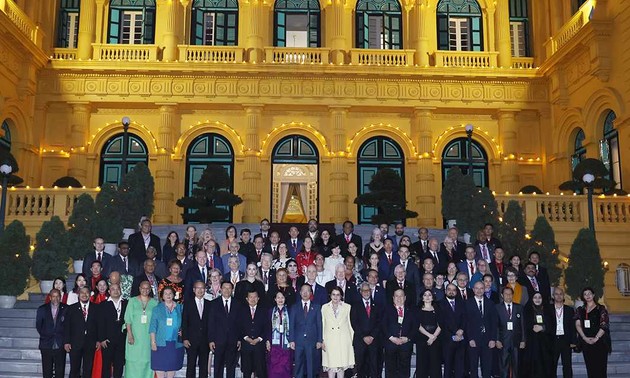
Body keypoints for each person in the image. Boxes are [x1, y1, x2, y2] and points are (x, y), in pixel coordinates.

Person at [208, 281, 243, 378]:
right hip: (218, 340)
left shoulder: (238, 304)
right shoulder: (214, 304)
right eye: (224, 288)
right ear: (220, 289)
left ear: (232, 290)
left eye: (229, 288)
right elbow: (211, 323)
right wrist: (211, 339)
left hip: (233, 340)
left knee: (231, 367)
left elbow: (240, 323)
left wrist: (239, 339)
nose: (227, 290)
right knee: (218, 366)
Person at [125, 281, 159, 378]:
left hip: (148, 338)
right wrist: (130, 334)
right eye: (143, 288)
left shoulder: (154, 303)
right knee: (133, 361)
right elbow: (128, 319)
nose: (145, 290)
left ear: (150, 290)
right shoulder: (132, 301)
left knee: (147, 361)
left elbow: (156, 321)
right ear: (139, 288)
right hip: (134, 336)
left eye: (147, 288)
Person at [574, 287, 610, 378]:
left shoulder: (601, 308)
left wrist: (596, 338)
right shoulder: (580, 309)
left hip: (599, 342)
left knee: (601, 369)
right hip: (586, 342)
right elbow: (577, 324)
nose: (587, 296)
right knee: (590, 369)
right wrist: (584, 338)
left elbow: (604, 325)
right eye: (585, 294)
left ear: (593, 295)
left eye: (589, 293)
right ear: (583, 297)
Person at [150, 286, 184, 378]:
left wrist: (183, 331)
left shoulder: (180, 308)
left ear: (174, 295)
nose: (168, 295)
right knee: (160, 370)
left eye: (170, 293)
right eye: (166, 294)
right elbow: (152, 326)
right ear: (162, 296)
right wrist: (153, 342)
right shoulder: (157, 309)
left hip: (174, 344)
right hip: (160, 344)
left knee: (171, 370)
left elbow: (187, 323)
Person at [289, 284, 323, 378]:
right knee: (298, 365)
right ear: (300, 293)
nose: (305, 293)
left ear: (311, 293)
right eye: (303, 291)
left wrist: (319, 340)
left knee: (311, 366)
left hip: (311, 341)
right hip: (298, 341)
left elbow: (319, 325)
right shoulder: (294, 307)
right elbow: (291, 325)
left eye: (307, 291)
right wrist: (291, 340)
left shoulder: (316, 307)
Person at [382, 288, 417, 378]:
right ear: (393, 298)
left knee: (404, 371)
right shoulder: (386, 309)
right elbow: (383, 325)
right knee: (390, 371)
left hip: (405, 345)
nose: (399, 298)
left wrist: (408, 338)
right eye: (396, 296)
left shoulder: (412, 310)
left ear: (405, 298)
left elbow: (415, 327)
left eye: (401, 296)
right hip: (390, 344)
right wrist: (391, 338)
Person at [64, 286, 97, 378]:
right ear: (78, 295)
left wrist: (98, 340)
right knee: (74, 369)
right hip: (75, 343)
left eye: (87, 292)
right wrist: (66, 341)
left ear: (90, 295)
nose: (84, 295)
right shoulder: (71, 309)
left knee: (88, 369)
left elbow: (99, 326)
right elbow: (67, 326)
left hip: (90, 343)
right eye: (82, 293)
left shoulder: (96, 308)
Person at [466, 281, 498, 378]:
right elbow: (466, 322)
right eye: (477, 288)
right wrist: (470, 338)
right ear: (473, 290)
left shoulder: (491, 303)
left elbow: (494, 322)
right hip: (473, 340)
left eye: (481, 288)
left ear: (484, 289)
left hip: (487, 340)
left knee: (487, 366)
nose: (479, 290)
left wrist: (493, 339)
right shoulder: (467, 303)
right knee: (473, 366)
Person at [321, 286, 355, 377]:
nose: (335, 297)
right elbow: (323, 325)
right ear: (330, 295)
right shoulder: (324, 308)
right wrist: (322, 340)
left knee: (341, 366)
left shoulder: (347, 307)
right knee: (331, 366)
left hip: (343, 340)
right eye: (333, 294)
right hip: (329, 340)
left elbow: (350, 325)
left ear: (341, 296)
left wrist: (350, 341)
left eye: (338, 295)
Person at [351, 282, 382, 378]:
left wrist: (372, 336)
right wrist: (364, 337)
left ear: (371, 291)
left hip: (374, 341)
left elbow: (379, 322)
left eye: (368, 290)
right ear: (360, 292)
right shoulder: (355, 305)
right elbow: (354, 323)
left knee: (374, 367)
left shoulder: (377, 305)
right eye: (364, 290)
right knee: (360, 367)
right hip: (360, 341)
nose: (366, 292)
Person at [96, 283, 127, 378]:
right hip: (107, 340)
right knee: (106, 366)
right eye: (113, 289)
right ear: (109, 291)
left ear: (120, 290)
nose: (115, 291)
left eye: (117, 288)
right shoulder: (103, 305)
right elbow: (100, 323)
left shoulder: (127, 303)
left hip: (122, 340)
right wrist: (102, 339)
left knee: (119, 365)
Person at [182, 280, 211, 378]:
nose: (200, 290)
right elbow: (184, 321)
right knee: (191, 366)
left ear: (205, 290)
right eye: (197, 288)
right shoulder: (188, 303)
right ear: (194, 290)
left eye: (202, 288)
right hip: (191, 340)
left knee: (203, 366)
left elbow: (211, 324)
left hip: (205, 340)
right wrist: (185, 338)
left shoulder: (209, 304)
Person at [496, 286, 526, 378]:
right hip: (503, 341)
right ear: (502, 295)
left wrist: (523, 340)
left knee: (516, 366)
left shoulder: (519, 307)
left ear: (513, 295)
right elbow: (495, 325)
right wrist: (497, 340)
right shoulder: (497, 308)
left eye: (510, 294)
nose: (508, 296)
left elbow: (523, 325)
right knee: (503, 366)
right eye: (506, 294)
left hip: (516, 341)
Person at [36, 289, 67, 378]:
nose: (56, 298)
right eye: (53, 296)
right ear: (50, 297)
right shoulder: (42, 309)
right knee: (47, 371)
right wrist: (47, 334)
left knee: (60, 371)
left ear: (60, 297)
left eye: (57, 296)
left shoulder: (66, 308)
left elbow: (68, 326)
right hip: (46, 344)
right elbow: (39, 325)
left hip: (60, 344)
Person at [522, 292, 553, 377]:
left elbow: (552, 324)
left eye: (540, 297)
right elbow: (524, 324)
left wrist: (543, 328)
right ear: (532, 299)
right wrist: (533, 326)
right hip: (532, 343)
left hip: (545, 343)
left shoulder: (547, 309)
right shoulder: (527, 309)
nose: (537, 299)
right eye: (535, 297)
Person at [440, 283, 466, 378]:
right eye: (449, 289)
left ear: (456, 292)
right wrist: (455, 332)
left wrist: (461, 330)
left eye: (453, 290)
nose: (451, 292)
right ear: (445, 291)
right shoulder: (440, 304)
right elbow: (443, 321)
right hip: (447, 340)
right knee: (448, 367)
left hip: (461, 339)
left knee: (460, 367)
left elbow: (465, 318)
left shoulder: (461, 303)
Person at [240, 290, 268, 378]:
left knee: (261, 371)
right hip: (246, 345)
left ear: (258, 298)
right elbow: (238, 326)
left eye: (255, 297)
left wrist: (259, 338)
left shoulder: (264, 311)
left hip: (259, 345)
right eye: (250, 297)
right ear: (247, 299)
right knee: (246, 371)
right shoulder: (241, 311)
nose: (253, 299)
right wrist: (246, 338)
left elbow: (267, 327)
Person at [415, 289, 442, 378]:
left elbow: (441, 324)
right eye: (425, 295)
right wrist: (429, 336)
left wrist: (433, 336)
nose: (427, 297)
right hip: (422, 339)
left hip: (435, 339)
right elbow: (418, 325)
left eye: (429, 295)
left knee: (435, 364)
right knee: (422, 364)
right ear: (422, 298)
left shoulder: (438, 309)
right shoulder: (418, 310)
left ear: (432, 298)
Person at [550, 287, 576, 378]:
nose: (559, 296)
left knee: (567, 365)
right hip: (553, 340)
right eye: (556, 294)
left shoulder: (569, 310)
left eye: (560, 294)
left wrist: (573, 341)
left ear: (563, 295)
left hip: (565, 340)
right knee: (552, 365)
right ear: (553, 296)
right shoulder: (548, 309)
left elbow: (573, 326)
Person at [266, 290, 293, 378]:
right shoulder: (270, 311)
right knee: (274, 367)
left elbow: (293, 327)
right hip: (274, 345)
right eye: (278, 297)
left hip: (286, 344)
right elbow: (267, 327)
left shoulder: (290, 311)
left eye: (282, 297)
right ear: (275, 299)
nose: (280, 299)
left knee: (286, 367)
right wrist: (267, 341)